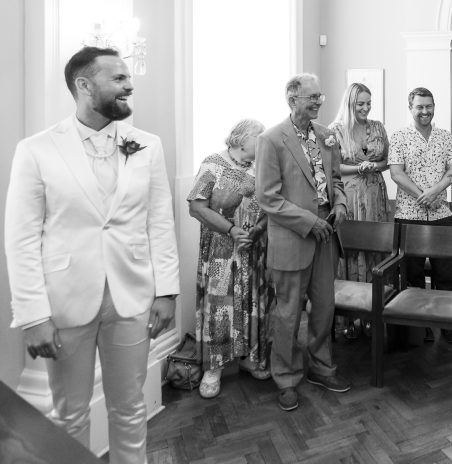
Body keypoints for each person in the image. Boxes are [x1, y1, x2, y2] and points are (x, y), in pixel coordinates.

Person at [5, 46, 180, 464]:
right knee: (70, 415)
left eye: (127, 77)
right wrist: (33, 315)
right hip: (65, 303)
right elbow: (22, 238)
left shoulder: (147, 145)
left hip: (132, 297)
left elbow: (160, 220)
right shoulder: (37, 150)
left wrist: (167, 291)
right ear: (84, 85)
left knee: (131, 407)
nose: (129, 85)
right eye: (118, 78)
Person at [254, 73, 349, 411]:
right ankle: (287, 377)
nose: (318, 102)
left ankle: (321, 369)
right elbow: (267, 198)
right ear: (292, 100)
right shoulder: (271, 140)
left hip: (327, 236)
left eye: (320, 96)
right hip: (294, 238)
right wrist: (310, 223)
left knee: (324, 309)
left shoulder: (326, 136)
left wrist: (339, 203)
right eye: (312, 97)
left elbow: (335, 179)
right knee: (288, 315)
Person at [187, 119, 272, 399]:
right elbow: (196, 207)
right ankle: (214, 367)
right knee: (220, 307)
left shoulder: (261, 166)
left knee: (252, 303)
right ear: (240, 139)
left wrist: (256, 231)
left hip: (253, 249)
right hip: (221, 251)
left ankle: (249, 356)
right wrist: (232, 230)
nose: (264, 140)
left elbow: (271, 205)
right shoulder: (213, 164)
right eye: (258, 136)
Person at [388, 87, 452, 344]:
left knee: (444, 274)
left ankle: (447, 323)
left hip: (441, 213)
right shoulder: (399, 137)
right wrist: (422, 195)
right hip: (409, 214)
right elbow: (396, 173)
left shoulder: (444, 136)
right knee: (413, 274)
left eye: (428, 106)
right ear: (411, 108)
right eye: (419, 107)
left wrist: (435, 192)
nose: (425, 111)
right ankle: (421, 326)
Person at [328, 83, 390, 339]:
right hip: (349, 197)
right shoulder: (335, 131)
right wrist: (359, 168)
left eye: (368, 103)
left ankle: (373, 315)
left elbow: (387, 161)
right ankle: (350, 318)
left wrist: (374, 166)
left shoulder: (377, 127)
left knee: (374, 250)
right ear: (350, 104)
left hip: (375, 195)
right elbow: (333, 167)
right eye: (360, 104)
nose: (365, 108)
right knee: (351, 251)